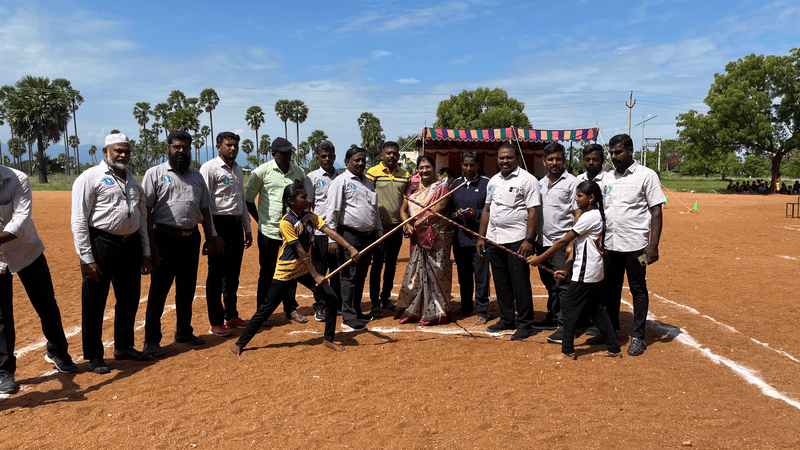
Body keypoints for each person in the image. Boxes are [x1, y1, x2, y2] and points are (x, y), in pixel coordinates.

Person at [230, 183, 357, 355]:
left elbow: (330, 232)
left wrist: (350, 247)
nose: (307, 199)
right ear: (291, 200)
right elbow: (300, 251)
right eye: (303, 197)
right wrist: (316, 275)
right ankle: (240, 343)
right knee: (267, 308)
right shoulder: (286, 222)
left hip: (304, 269)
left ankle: (328, 339)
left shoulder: (310, 217)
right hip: (287, 271)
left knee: (331, 298)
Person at [70, 133, 152, 374]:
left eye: (127, 151)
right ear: (105, 152)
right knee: (94, 301)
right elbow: (79, 220)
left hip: (130, 245)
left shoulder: (133, 181)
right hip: (101, 244)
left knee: (128, 298)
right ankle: (94, 355)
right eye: (118, 150)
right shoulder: (90, 178)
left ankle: (124, 347)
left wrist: (146, 251)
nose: (123, 155)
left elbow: (142, 218)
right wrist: (86, 258)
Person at [142, 130, 222, 357]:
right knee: (159, 291)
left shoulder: (196, 176)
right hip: (164, 238)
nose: (181, 151)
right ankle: (151, 340)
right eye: (176, 147)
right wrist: (151, 243)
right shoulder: (155, 173)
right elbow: (146, 210)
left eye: (185, 147)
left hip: (191, 239)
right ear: (168, 148)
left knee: (186, 289)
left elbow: (205, 208)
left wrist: (210, 236)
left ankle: (184, 331)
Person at [0, 166, 78, 393]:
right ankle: (4, 371)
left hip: (27, 250)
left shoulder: (17, 179)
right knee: (1, 315)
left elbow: (20, 221)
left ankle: (58, 351)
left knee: (46, 303)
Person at [528, 180, 622, 360]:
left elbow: (564, 241)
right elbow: (578, 246)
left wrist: (539, 259)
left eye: (579, 196)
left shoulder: (589, 217)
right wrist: (566, 268)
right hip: (593, 270)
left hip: (586, 271)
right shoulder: (596, 214)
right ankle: (614, 348)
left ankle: (568, 351)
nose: (576, 199)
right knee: (596, 309)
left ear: (591, 198)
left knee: (568, 306)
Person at [600, 134, 665, 356]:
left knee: (638, 288)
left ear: (630, 150)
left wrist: (653, 245)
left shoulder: (646, 175)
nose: (613, 156)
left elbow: (656, 211)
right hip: (611, 245)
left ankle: (638, 336)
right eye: (611, 152)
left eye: (618, 152)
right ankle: (611, 331)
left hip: (637, 246)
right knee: (611, 289)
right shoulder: (607, 178)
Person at [477, 143, 541, 341]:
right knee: (501, 282)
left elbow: (533, 211)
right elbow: (487, 209)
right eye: (502, 158)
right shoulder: (493, 181)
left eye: (509, 157)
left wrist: (529, 240)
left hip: (517, 240)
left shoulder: (528, 180)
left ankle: (525, 323)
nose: (505, 161)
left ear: (517, 158)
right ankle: (506, 319)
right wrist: (481, 236)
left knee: (520, 283)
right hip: (495, 239)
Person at [245, 137, 307, 324]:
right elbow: (249, 199)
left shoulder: (299, 172)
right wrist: (260, 220)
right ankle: (263, 312)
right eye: (283, 153)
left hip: (291, 232)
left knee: (291, 270)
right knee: (267, 272)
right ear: (274, 153)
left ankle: (291, 309)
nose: (288, 155)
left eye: (290, 152)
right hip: (269, 231)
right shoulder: (261, 172)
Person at [199, 132, 253, 337]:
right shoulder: (209, 168)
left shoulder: (237, 169)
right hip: (218, 225)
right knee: (215, 275)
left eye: (235, 146)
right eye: (228, 145)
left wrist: (247, 228)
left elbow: (241, 200)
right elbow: (205, 203)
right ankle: (215, 322)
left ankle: (231, 315)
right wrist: (212, 234)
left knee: (232, 275)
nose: (233, 148)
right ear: (218, 147)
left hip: (236, 225)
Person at [324, 147, 382, 332]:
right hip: (349, 235)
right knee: (349, 276)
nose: (361, 163)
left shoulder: (368, 183)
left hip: (368, 236)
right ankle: (348, 316)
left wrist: (379, 231)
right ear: (347, 162)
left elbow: (375, 210)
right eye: (357, 160)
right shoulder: (340, 182)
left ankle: (357, 310)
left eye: (363, 160)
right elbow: (332, 211)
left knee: (361, 274)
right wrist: (332, 239)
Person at [394, 155, 454, 325]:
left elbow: (441, 206)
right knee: (418, 272)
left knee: (437, 272)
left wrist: (425, 219)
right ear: (417, 170)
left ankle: (437, 312)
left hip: (437, 235)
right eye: (421, 167)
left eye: (428, 167)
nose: (424, 170)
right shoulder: (413, 189)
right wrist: (407, 224)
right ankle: (417, 310)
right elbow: (403, 210)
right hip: (417, 236)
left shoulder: (442, 186)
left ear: (434, 169)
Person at [534, 142, 580, 345]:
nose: (555, 163)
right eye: (550, 159)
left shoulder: (573, 183)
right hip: (543, 242)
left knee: (563, 285)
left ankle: (566, 327)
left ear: (564, 160)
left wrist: (572, 241)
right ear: (544, 161)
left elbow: (578, 213)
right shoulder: (539, 183)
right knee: (550, 284)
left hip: (562, 243)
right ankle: (553, 317)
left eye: (558, 159)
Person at [366, 141, 410, 316]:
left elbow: (407, 200)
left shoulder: (405, 175)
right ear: (382, 155)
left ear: (398, 156)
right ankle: (375, 302)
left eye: (395, 153)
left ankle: (385, 298)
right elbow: (368, 199)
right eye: (388, 153)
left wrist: (405, 223)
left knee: (391, 264)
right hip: (378, 227)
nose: (392, 156)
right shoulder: (372, 173)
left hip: (396, 226)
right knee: (377, 264)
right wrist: (379, 220)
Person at [449, 150, 491, 324]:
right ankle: (466, 306)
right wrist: (456, 214)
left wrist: (475, 214)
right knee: (463, 275)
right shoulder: (455, 184)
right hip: (460, 239)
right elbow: (448, 211)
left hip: (479, 239)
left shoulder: (486, 183)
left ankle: (482, 310)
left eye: (472, 165)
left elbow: (491, 210)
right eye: (465, 165)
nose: (468, 168)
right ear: (461, 165)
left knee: (481, 276)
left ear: (478, 165)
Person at [303, 142, 341, 323]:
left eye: (330, 156)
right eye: (323, 156)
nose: (327, 159)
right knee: (319, 271)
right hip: (319, 234)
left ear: (334, 157)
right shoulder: (312, 177)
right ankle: (320, 306)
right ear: (317, 158)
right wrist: (310, 233)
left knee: (337, 271)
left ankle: (336, 305)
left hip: (337, 233)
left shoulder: (341, 176)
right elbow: (308, 207)